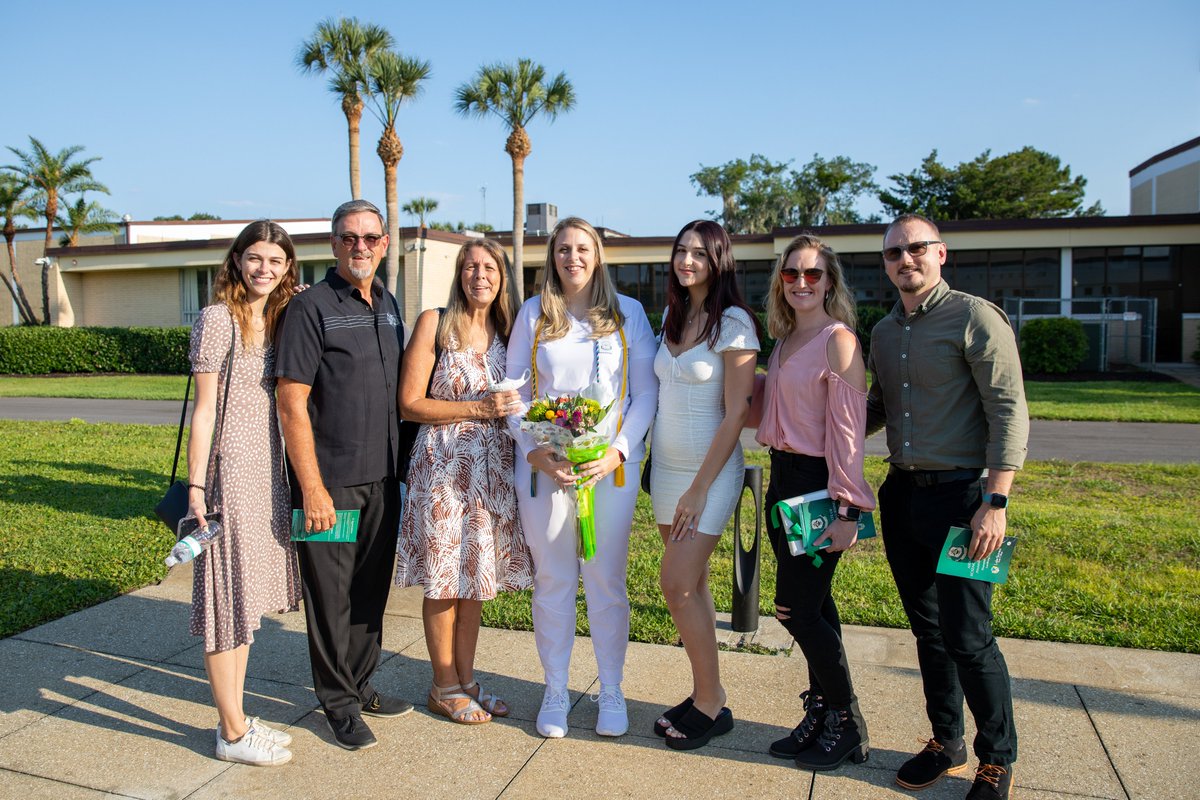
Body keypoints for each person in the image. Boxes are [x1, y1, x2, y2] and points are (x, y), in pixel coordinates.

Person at [867, 213, 1029, 800]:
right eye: (893, 253)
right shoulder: (883, 332)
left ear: (941, 253)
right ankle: (946, 741)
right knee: (928, 630)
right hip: (902, 496)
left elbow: (1008, 409)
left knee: (969, 635)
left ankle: (997, 759)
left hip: (965, 500)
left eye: (916, 248)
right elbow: (877, 407)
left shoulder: (975, 317)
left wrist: (995, 501)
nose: (904, 259)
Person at [506, 216, 658, 739]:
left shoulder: (627, 314)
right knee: (553, 580)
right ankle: (555, 689)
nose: (573, 257)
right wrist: (534, 451)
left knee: (605, 581)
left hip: (608, 473)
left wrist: (617, 452)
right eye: (563, 249)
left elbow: (644, 394)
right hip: (545, 471)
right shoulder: (533, 313)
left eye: (582, 249)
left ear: (597, 256)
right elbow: (514, 392)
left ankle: (611, 689)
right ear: (552, 257)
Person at [275, 199, 412, 751]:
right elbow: (291, 401)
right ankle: (338, 705)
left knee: (369, 592)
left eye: (370, 238)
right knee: (329, 599)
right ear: (333, 244)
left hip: (383, 480)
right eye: (349, 237)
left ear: (384, 244)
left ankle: (359, 685)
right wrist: (311, 489)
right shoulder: (309, 308)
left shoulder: (388, 303)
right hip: (329, 485)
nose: (361, 247)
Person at [394, 239, 534, 725]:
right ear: (459, 275)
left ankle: (467, 681)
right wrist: (478, 408)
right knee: (444, 579)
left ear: (502, 276)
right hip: (443, 469)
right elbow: (409, 403)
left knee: (476, 579)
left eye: (489, 267)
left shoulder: (510, 330)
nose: (480, 275)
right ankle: (443, 685)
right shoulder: (435, 324)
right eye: (471, 266)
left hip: (492, 474)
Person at [749, 234, 875, 770]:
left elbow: (848, 434)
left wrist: (849, 511)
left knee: (795, 610)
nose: (801, 282)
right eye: (791, 273)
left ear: (829, 282)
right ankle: (823, 713)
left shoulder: (837, 341)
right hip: (782, 482)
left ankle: (847, 720)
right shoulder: (783, 341)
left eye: (812, 274)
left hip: (818, 487)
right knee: (817, 607)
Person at [185, 219, 303, 766]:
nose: (264, 269)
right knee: (224, 598)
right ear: (237, 260)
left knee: (245, 598)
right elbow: (204, 409)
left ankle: (235, 717)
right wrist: (197, 485)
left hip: (267, 471)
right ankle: (231, 733)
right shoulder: (218, 319)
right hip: (230, 471)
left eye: (276, 261)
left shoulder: (276, 316)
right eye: (255, 258)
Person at [649, 220, 760, 750]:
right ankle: (703, 692)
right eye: (681, 251)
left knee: (676, 584)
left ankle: (712, 702)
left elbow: (737, 412)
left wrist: (698, 488)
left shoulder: (734, 322)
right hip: (666, 472)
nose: (687, 260)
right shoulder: (672, 315)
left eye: (699, 252)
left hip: (708, 476)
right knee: (692, 585)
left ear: (719, 260)